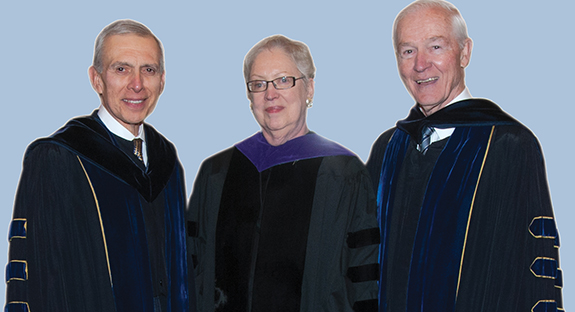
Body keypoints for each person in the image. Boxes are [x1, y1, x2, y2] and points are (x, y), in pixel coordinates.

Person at [366, 1, 564, 311]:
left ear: (465, 52)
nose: (421, 64)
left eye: (435, 47)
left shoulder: (508, 145)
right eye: (408, 51)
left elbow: (534, 270)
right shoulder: (387, 149)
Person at [5, 19, 194, 311]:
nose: (137, 84)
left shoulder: (166, 159)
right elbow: (39, 274)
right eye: (121, 69)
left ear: (162, 80)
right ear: (97, 79)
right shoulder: (59, 158)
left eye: (149, 70)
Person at [187, 35, 380, 311]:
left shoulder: (343, 175)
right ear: (249, 95)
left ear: (309, 88)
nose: (270, 94)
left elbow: (365, 279)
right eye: (258, 84)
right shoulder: (216, 173)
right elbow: (194, 272)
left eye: (283, 80)